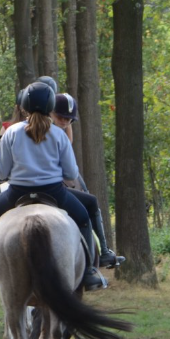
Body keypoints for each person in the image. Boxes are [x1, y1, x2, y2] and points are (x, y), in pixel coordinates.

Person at [0, 81, 104, 293]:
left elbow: (2, 173)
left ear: (24, 107)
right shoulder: (59, 134)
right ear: (50, 106)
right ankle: (89, 271)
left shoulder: (12, 132)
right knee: (84, 220)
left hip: (17, 193)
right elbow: (70, 173)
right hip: (54, 193)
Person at [51, 92, 124, 270]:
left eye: (68, 119)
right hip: (52, 184)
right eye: (60, 117)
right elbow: (69, 170)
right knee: (90, 202)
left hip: (21, 186)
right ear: (50, 112)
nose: (64, 122)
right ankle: (102, 254)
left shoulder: (18, 129)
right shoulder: (58, 135)